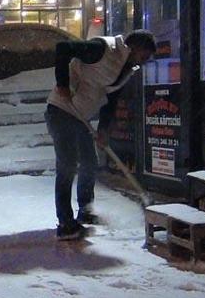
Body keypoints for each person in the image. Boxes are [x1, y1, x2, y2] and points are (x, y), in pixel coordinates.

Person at [45, 30, 156, 240]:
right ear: (135, 48)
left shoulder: (126, 68)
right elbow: (63, 48)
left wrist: (104, 129)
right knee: (68, 164)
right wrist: (62, 84)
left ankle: (85, 209)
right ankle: (66, 223)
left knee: (89, 162)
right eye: (144, 56)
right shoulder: (102, 49)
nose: (144, 62)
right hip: (61, 109)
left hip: (80, 116)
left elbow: (110, 100)